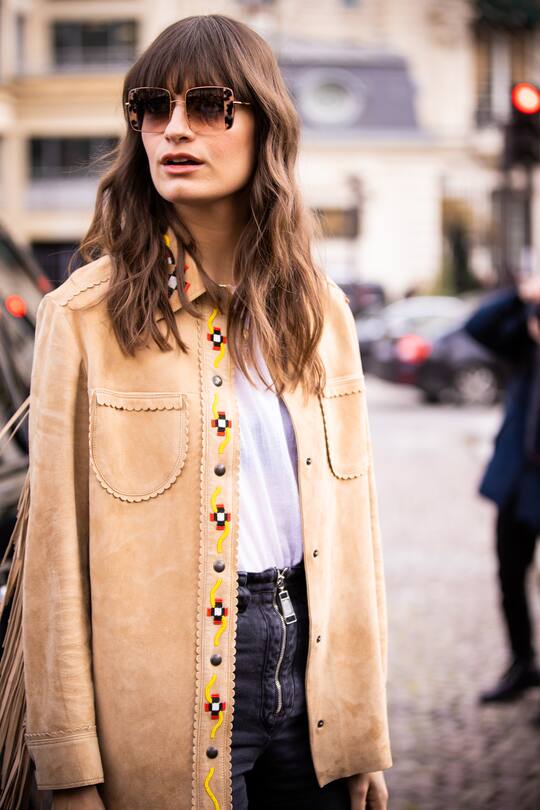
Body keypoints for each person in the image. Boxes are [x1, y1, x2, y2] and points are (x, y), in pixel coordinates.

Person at [16, 14, 392, 810]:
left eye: (210, 105)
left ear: (265, 126)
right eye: (154, 108)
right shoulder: (82, 317)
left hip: (313, 685)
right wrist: (69, 770)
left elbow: (353, 537)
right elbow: (53, 561)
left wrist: (364, 733)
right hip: (158, 701)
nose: (175, 130)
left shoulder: (323, 315)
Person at [464, 274, 540, 708]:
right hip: (516, 484)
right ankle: (521, 663)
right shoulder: (524, 348)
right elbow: (477, 326)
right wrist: (522, 294)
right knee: (510, 578)